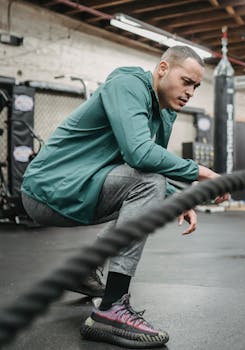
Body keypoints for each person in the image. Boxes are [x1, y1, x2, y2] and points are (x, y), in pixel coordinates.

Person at [21, 45, 229, 348]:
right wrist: (202, 172)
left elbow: (137, 170)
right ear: (162, 69)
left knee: (151, 187)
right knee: (149, 184)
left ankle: (84, 269)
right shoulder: (128, 84)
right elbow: (139, 155)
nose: (190, 92)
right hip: (47, 187)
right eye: (186, 81)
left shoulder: (165, 113)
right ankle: (112, 308)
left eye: (196, 87)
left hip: (82, 187)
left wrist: (179, 199)